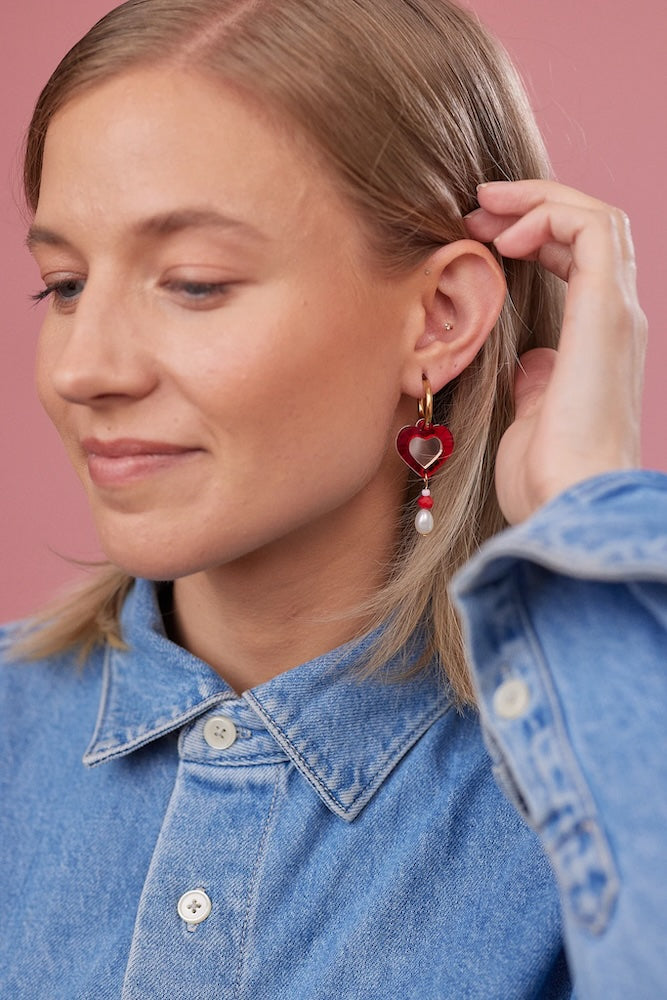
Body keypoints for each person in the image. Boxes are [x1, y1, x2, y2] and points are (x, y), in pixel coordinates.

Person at [1, 0, 664, 997]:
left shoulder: (608, 760)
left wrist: (585, 520)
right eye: (63, 285)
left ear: (439, 318)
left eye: (193, 283)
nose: (81, 370)